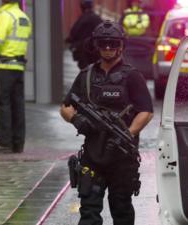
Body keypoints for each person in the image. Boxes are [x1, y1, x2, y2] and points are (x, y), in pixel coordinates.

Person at [60, 21, 153, 225]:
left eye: (112, 43)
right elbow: (66, 107)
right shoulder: (86, 76)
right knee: (89, 213)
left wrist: (128, 133)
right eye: (103, 44)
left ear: (121, 45)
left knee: (121, 211)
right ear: (96, 45)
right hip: (93, 156)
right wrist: (76, 119)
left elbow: (146, 111)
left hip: (122, 158)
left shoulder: (132, 76)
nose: (108, 48)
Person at [0, 0, 32, 154]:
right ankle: (18, 143)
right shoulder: (23, 17)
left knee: (2, 103)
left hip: (5, 67)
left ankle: (4, 143)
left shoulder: (5, 16)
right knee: (17, 104)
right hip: (18, 67)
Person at [66, 0, 102, 70]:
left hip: (83, 50)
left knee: (84, 70)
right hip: (95, 50)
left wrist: (69, 40)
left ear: (82, 7)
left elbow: (74, 32)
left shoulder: (82, 18)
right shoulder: (97, 18)